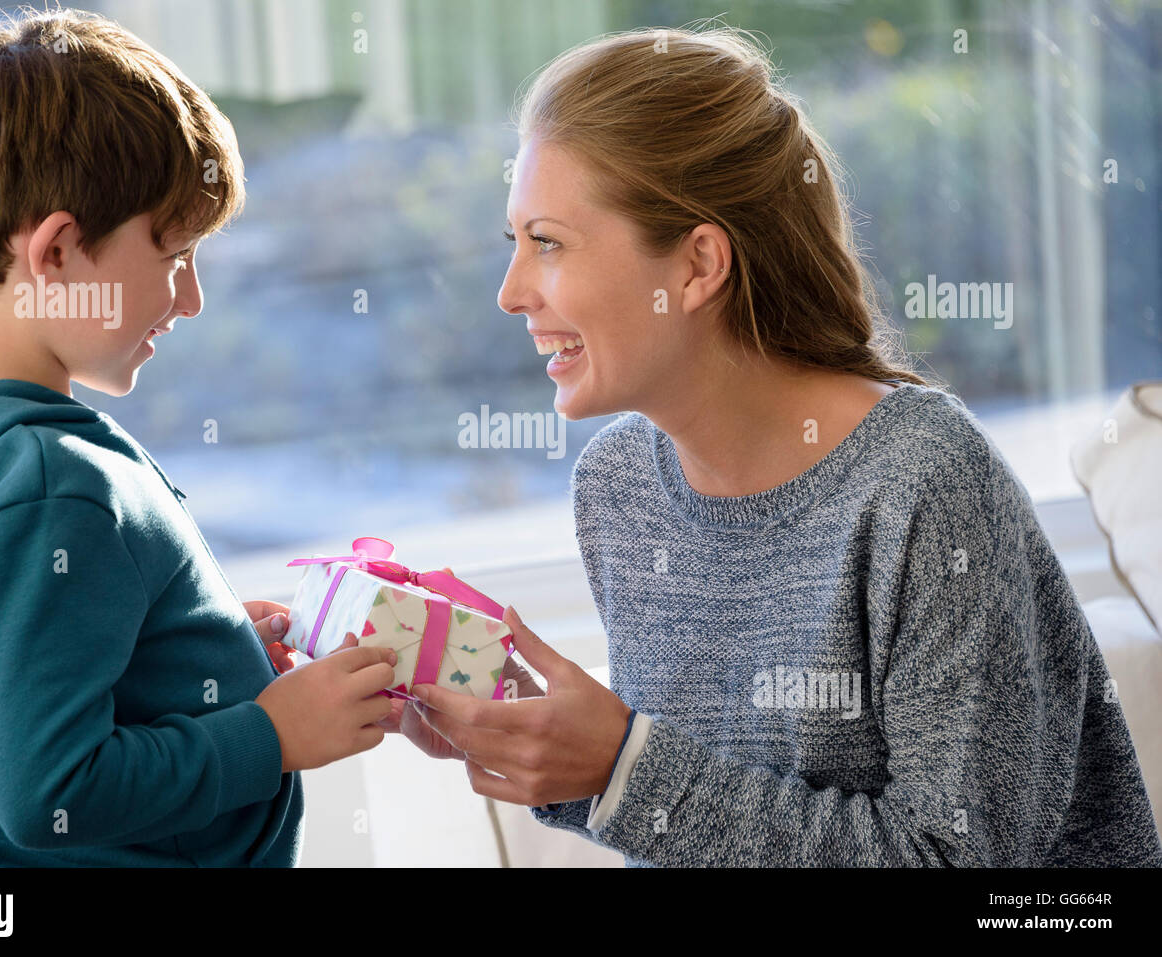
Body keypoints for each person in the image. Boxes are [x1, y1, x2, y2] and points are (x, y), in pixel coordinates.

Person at [390, 26, 1162, 866]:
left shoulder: (923, 484)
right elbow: (702, 818)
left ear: (696, 267)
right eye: (516, 245)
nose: (510, 293)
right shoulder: (619, 488)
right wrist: (555, 754)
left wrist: (624, 768)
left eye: (549, 242)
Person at [0, 8, 395, 866]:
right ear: (61, 253)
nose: (190, 300)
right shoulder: (53, 484)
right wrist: (270, 734)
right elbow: (54, 793)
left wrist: (190, 658)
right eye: (176, 255)